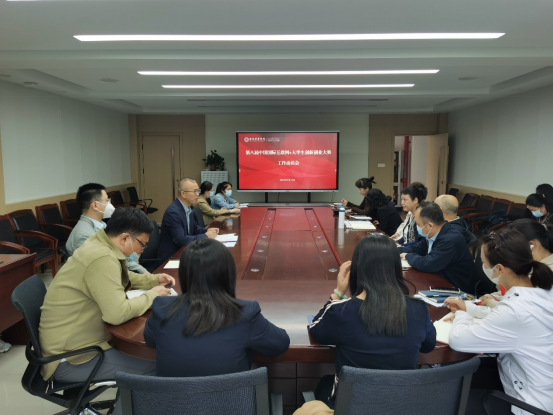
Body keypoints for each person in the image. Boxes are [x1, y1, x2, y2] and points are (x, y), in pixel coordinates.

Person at [39, 207, 176, 415]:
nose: (142, 250)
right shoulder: (101, 257)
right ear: (124, 238)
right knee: (155, 365)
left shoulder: (101, 244)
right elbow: (117, 314)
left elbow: (119, 278)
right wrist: (152, 295)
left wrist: (153, 280)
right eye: (142, 244)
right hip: (71, 357)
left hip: (73, 342)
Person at [305, 235, 436, 410]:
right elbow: (428, 345)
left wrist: (338, 293)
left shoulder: (341, 311)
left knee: (324, 385)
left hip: (352, 406)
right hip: (401, 406)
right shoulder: (418, 309)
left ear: (357, 269)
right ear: (396, 268)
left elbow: (316, 330)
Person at [144, 238, 290, 377]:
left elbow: (150, 340)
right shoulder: (245, 313)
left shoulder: (162, 308)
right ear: (228, 274)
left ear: (184, 274)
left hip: (173, 396)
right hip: (233, 396)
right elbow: (279, 344)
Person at [445, 228, 553, 415]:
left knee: (450, 397)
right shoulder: (539, 287)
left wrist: (462, 314)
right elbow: (500, 313)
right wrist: (468, 308)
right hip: (528, 380)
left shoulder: (516, 310)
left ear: (500, 269)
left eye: (484, 263)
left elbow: (458, 340)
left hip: (529, 404)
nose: (483, 267)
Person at [398, 201, 481, 294]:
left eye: (418, 224)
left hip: (458, 289)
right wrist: (394, 250)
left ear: (430, 225)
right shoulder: (434, 232)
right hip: (440, 278)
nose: (416, 227)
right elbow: (417, 248)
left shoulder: (450, 239)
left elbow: (427, 264)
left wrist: (407, 256)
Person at [66, 184, 148, 274]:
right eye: (106, 200)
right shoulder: (84, 235)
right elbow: (105, 265)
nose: (109, 204)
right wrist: (142, 272)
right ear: (95, 205)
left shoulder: (101, 224)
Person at [480, 219, 553, 308]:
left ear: (532, 245)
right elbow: (513, 291)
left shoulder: (545, 274)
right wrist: (494, 296)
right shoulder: (530, 265)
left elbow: (526, 309)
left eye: (512, 246)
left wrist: (491, 303)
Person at [158, 178, 219, 261]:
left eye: (198, 191)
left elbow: (195, 229)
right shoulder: (173, 212)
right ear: (183, 194)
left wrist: (207, 231)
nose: (198, 194)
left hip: (184, 252)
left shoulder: (188, 208)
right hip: (171, 258)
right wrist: (206, 236)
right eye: (195, 191)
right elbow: (181, 240)